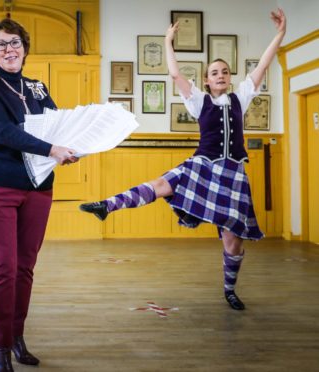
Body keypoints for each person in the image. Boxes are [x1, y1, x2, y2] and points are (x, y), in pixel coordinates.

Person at [80, 9, 286, 311]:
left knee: (233, 242)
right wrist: (168, 42)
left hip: (233, 174)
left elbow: (264, 65)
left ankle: (229, 290)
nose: (220, 76)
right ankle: (107, 206)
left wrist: (280, 34)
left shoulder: (240, 97)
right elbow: (176, 74)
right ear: (206, 79)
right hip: (202, 166)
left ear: (230, 78)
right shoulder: (199, 101)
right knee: (163, 184)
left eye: (225, 72)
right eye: (214, 72)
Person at [0, 18, 78, 372]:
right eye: (1, 44)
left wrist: (78, 144)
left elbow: (58, 125)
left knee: (25, 268)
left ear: (25, 48)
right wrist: (51, 149)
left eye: (15, 42)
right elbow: (1, 132)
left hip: (38, 189)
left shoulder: (38, 87)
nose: (9, 49)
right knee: (3, 266)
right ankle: (0, 349)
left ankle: (17, 337)